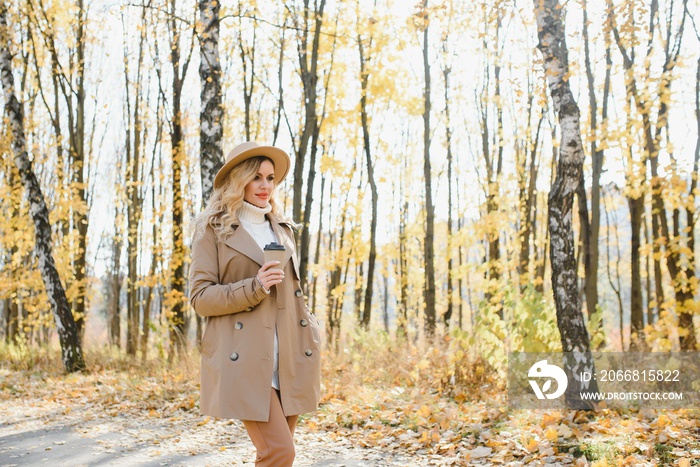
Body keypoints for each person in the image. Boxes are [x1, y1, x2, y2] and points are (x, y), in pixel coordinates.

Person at [189, 141, 321, 466]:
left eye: (270, 178)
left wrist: (314, 330)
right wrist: (254, 286)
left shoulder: (282, 229)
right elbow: (201, 298)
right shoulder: (213, 230)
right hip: (247, 358)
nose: (265, 186)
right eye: (257, 177)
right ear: (239, 181)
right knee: (279, 452)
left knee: (275, 456)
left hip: (291, 356)